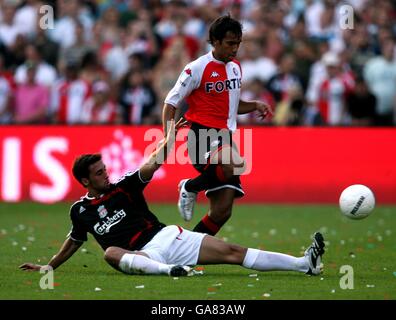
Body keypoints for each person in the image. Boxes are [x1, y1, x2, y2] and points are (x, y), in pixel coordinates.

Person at [20, 119, 325, 277]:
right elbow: (74, 241)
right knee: (110, 252)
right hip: (140, 257)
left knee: (233, 251)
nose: (106, 174)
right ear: (85, 181)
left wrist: (169, 139)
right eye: (99, 173)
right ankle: (170, 272)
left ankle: (303, 264)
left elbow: (151, 163)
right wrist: (50, 267)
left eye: (104, 169)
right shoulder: (80, 210)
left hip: (167, 238)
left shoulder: (123, 187)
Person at [162, 15, 272, 235]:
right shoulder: (196, 68)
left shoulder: (235, 68)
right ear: (215, 41)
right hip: (201, 135)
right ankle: (189, 187)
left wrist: (254, 105)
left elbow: (232, 105)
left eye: (238, 43)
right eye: (231, 43)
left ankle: (190, 251)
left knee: (222, 211)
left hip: (224, 137)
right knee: (235, 162)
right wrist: (169, 136)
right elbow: (170, 102)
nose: (235, 48)